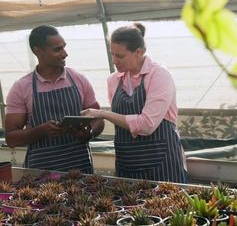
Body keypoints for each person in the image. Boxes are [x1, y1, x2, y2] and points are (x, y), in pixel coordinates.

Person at [81, 23, 188, 183]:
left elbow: (147, 125)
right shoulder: (113, 80)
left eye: (120, 56)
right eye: (112, 55)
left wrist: (102, 113)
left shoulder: (159, 76)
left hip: (162, 161)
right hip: (127, 161)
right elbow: (122, 119)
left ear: (138, 52)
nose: (115, 61)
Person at [5, 25, 104, 174]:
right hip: (41, 174)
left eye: (64, 47)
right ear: (38, 51)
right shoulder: (21, 87)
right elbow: (11, 138)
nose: (65, 54)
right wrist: (41, 130)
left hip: (80, 169)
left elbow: (99, 119)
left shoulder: (78, 79)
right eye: (57, 49)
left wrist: (89, 133)